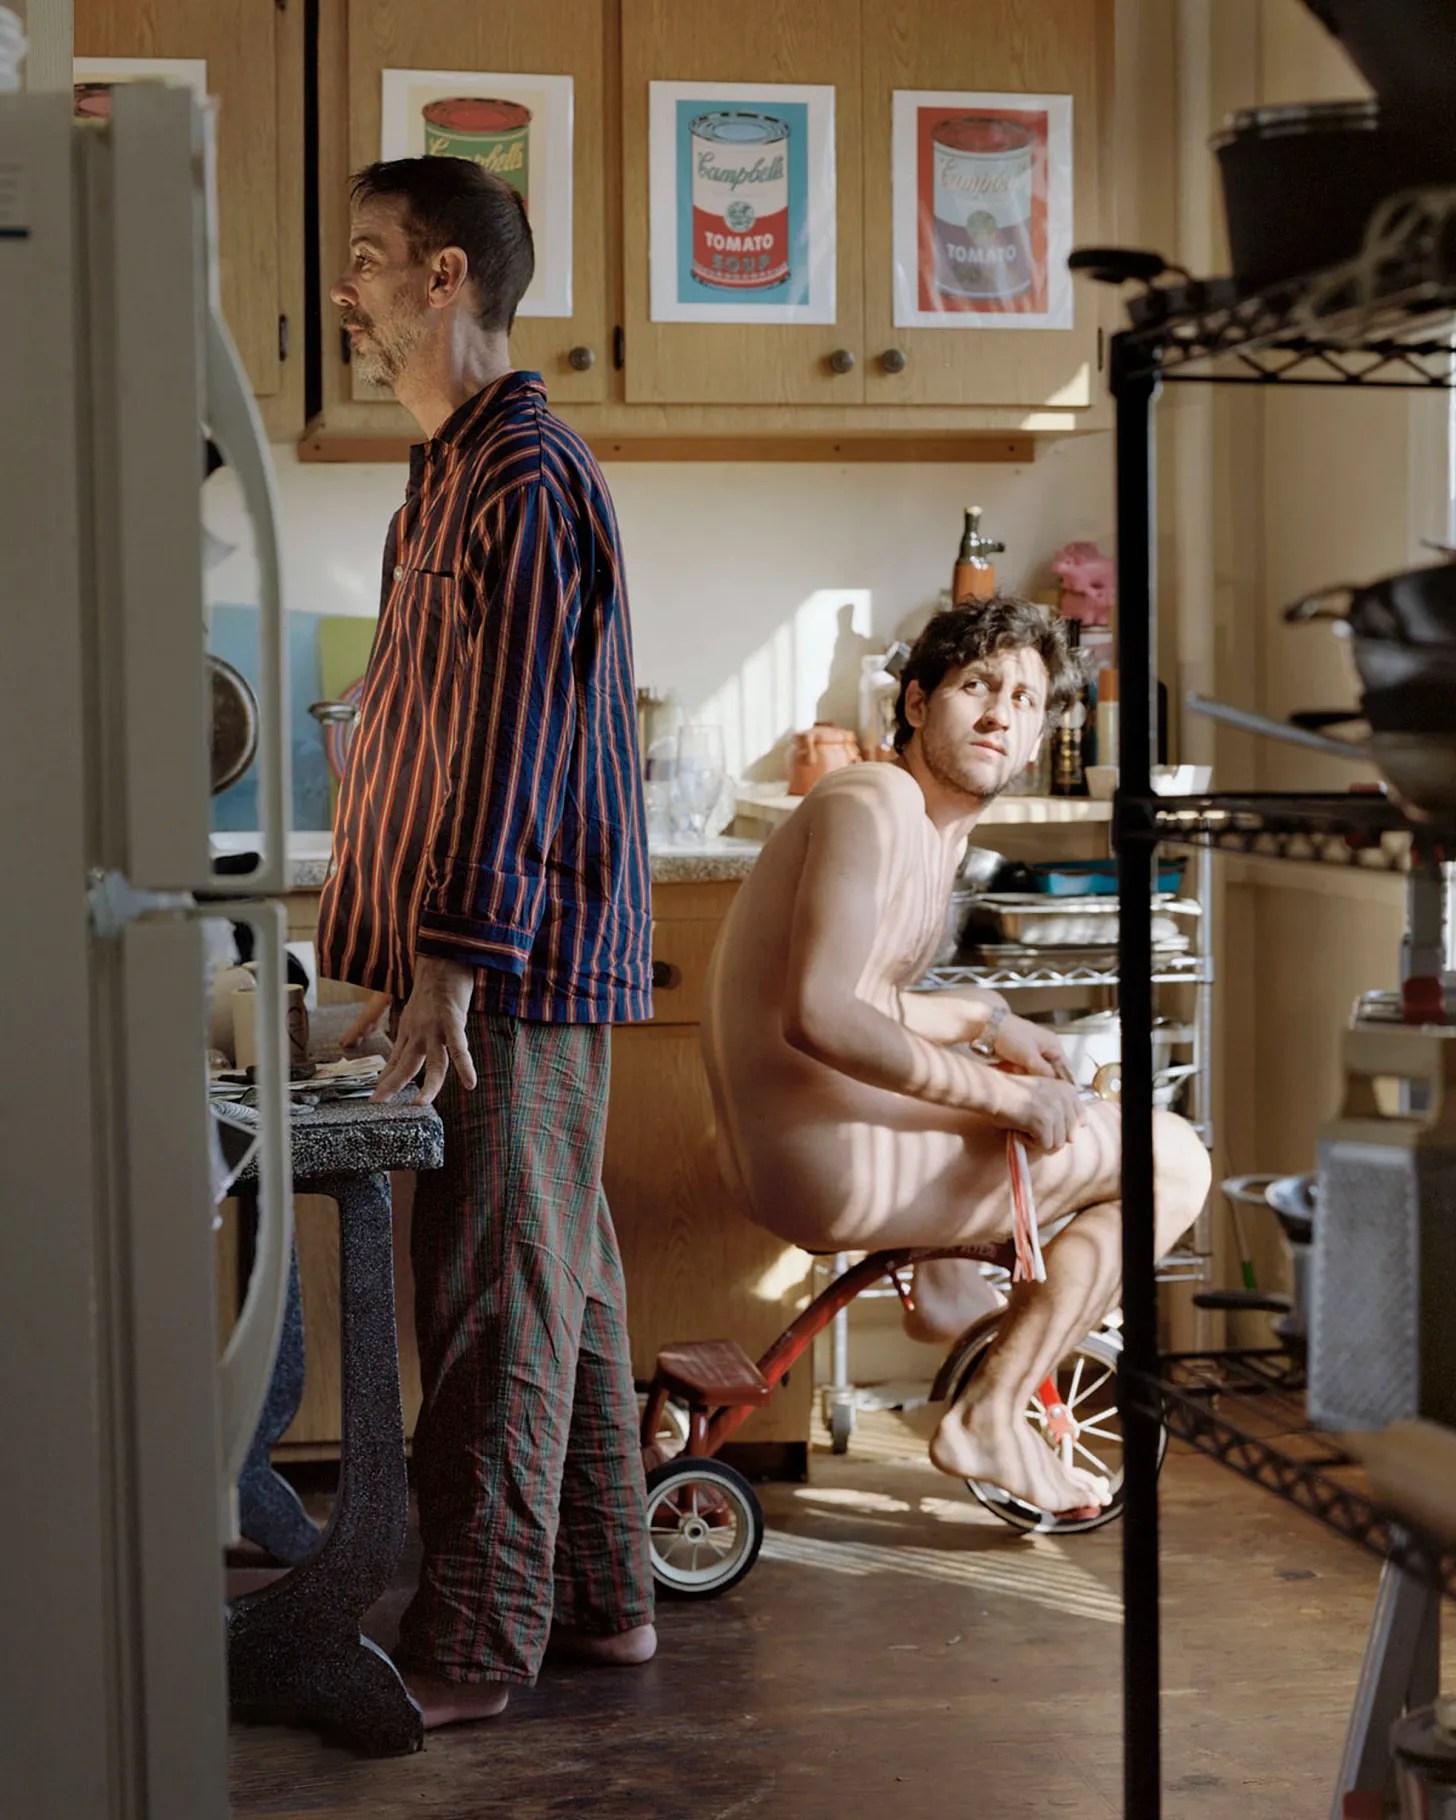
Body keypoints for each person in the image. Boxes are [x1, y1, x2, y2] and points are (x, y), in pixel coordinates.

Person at [316, 156, 656, 1728]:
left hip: (510, 963)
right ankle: (600, 1599)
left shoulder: (519, 474)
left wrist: (447, 962)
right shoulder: (448, 472)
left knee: (497, 1298)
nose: (348, 294)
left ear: (445, 276)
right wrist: (398, 955)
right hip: (479, 957)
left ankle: (473, 1642)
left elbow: (513, 741)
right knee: (556, 1282)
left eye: (369, 259)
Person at [701, 597, 1211, 1517]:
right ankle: (992, 1414)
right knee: (1172, 1159)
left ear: (1038, 736)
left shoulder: (927, 827)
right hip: (825, 1157)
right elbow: (820, 1014)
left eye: (1024, 699)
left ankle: (945, 1287)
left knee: (1022, 1085)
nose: (999, 714)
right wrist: (1004, 1098)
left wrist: (987, 1018)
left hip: (797, 1146)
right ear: (916, 702)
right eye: (978, 686)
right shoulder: (873, 800)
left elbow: (867, 999)